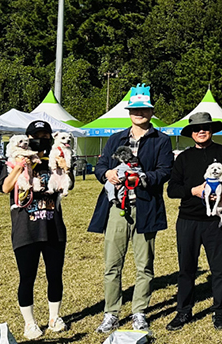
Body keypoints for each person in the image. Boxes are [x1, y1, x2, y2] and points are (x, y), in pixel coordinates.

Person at [89, 84, 173, 333]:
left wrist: (144, 177)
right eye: (135, 110)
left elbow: (165, 171)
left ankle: (139, 312)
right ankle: (111, 313)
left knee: (144, 265)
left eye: (144, 109)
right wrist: (107, 173)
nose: (139, 113)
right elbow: (100, 166)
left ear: (151, 111)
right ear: (129, 112)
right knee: (112, 264)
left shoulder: (161, 140)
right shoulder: (116, 138)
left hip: (145, 207)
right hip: (117, 207)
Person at [0, 121, 73, 340]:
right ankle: (29, 323)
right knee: (27, 277)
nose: (41, 139)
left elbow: (68, 184)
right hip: (26, 230)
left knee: (55, 275)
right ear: (27, 138)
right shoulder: (14, 160)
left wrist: (66, 166)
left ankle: (54, 317)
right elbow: (5, 188)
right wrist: (21, 166)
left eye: (45, 136)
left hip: (53, 228)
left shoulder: (54, 159)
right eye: (36, 136)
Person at [165, 112, 222, 331]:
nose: (201, 131)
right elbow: (172, 190)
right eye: (196, 129)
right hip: (188, 219)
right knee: (186, 268)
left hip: (216, 220)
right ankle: (183, 311)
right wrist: (193, 191)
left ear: (212, 130)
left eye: (205, 127)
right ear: (191, 133)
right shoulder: (184, 158)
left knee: (219, 269)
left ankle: (219, 312)